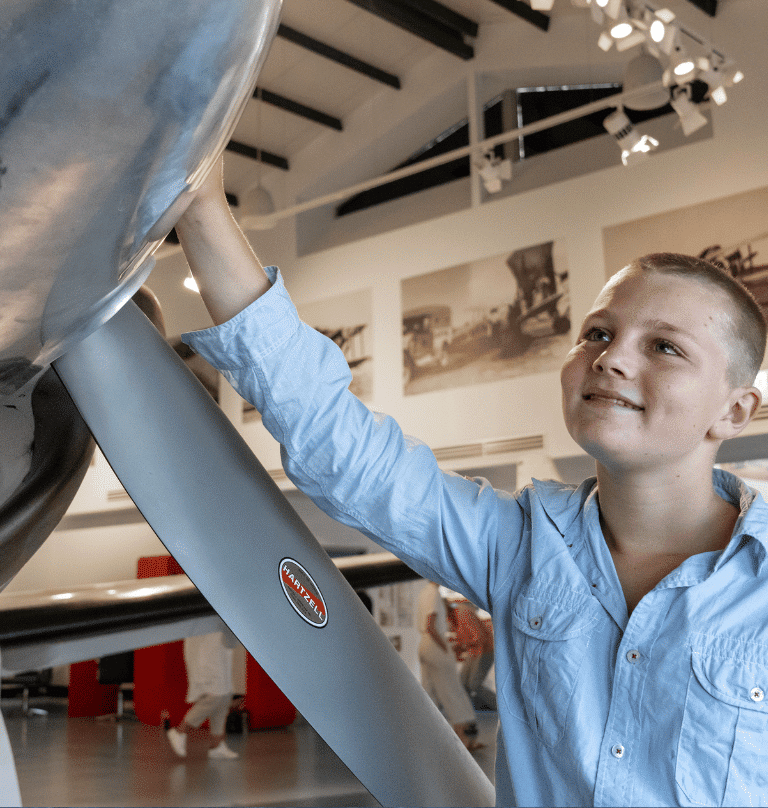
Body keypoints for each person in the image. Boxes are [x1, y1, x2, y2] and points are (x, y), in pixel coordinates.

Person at [175, 159, 767, 806]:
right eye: (598, 332)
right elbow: (342, 451)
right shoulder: (519, 546)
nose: (612, 357)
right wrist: (202, 204)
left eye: (665, 347)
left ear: (735, 410)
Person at [417, 581, 482, 750]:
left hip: (424, 645)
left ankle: (426, 738)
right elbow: (431, 626)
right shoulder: (433, 593)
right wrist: (445, 648)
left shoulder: (424, 593)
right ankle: (465, 738)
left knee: (429, 691)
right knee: (453, 691)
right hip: (434, 644)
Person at [166, 624, 239, 760]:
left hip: (220, 649)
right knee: (215, 696)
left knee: (225, 697)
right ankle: (180, 731)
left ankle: (217, 746)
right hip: (206, 651)